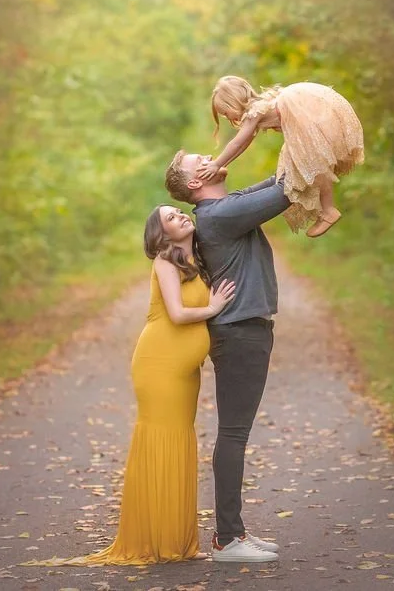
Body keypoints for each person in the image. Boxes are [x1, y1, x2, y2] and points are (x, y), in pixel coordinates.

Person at [23, 205, 235, 566]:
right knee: (161, 440)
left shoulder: (196, 261)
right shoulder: (165, 262)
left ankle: (177, 542)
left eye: (180, 211)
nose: (181, 216)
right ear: (162, 234)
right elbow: (177, 314)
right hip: (159, 364)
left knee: (179, 441)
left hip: (185, 371)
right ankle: (154, 541)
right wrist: (213, 307)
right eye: (171, 217)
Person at [164, 150, 288, 563]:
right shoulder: (219, 215)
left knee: (235, 432)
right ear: (195, 182)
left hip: (245, 330)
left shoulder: (225, 207)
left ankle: (233, 533)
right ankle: (228, 539)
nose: (212, 155)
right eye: (200, 158)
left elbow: (279, 178)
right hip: (240, 333)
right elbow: (290, 188)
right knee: (234, 433)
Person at [200, 75, 365, 238]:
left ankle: (328, 210)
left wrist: (216, 164)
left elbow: (237, 143)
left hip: (307, 121)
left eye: (225, 112)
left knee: (313, 164)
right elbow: (243, 145)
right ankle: (327, 209)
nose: (227, 117)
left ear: (233, 102)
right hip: (309, 120)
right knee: (312, 165)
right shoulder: (259, 108)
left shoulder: (254, 112)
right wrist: (222, 165)